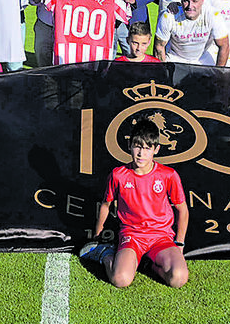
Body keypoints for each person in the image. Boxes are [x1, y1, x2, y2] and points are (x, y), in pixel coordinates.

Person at [79, 118, 190, 289]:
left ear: (156, 150)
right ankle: (105, 254)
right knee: (120, 280)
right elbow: (106, 205)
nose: (141, 153)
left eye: (147, 148)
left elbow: (182, 210)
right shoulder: (119, 175)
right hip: (132, 236)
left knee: (178, 279)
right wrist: (97, 236)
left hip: (161, 236)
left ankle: (148, 264)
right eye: (137, 146)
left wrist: (180, 243)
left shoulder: (168, 175)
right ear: (129, 145)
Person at [155, 0, 229, 66]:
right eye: (186, 1)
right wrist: (162, 72)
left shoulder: (213, 15)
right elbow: (159, 47)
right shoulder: (169, 16)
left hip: (203, 58)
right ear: (181, 0)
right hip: (176, 58)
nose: (190, 6)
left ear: (202, 0)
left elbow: (224, 45)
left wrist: (218, 74)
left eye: (195, 1)